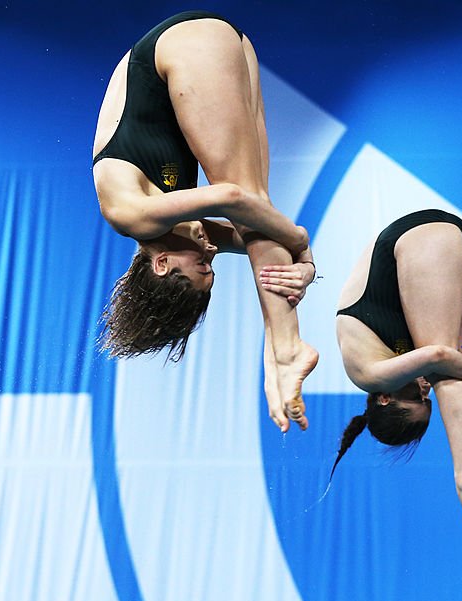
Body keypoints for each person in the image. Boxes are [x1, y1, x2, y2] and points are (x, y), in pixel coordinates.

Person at [92, 11, 317, 431]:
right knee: (259, 215)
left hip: (177, 49)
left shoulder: (131, 216)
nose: (212, 251)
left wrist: (300, 242)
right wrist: (306, 267)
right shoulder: (178, 230)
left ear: (161, 265)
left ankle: (285, 348)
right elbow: (262, 227)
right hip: (225, 46)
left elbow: (233, 198)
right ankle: (276, 348)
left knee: (249, 198)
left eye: (203, 265)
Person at [283, 209, 462, 538]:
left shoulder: (368, 374)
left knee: (448, 371)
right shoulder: (398, 370)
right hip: (456, 238)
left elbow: (440, 355)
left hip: (415, 239)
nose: (424, 392)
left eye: (417, 398)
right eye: (429, 401)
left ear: (385, 398)